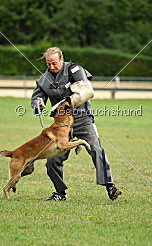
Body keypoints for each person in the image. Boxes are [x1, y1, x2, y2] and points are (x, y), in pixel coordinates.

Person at [30, 47, 122, 201]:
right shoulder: (44, 80)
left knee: (96, 149)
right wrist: (37, 103)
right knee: (52, 161)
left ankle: (110, 187)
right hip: (61, 125)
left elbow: (87, 91)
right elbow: (36, 97)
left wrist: (68, 102)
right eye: (49, 64)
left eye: (54, 63)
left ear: (61, 59)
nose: (52, 67)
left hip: (83, 119)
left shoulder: (74, 69)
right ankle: (60, 193)